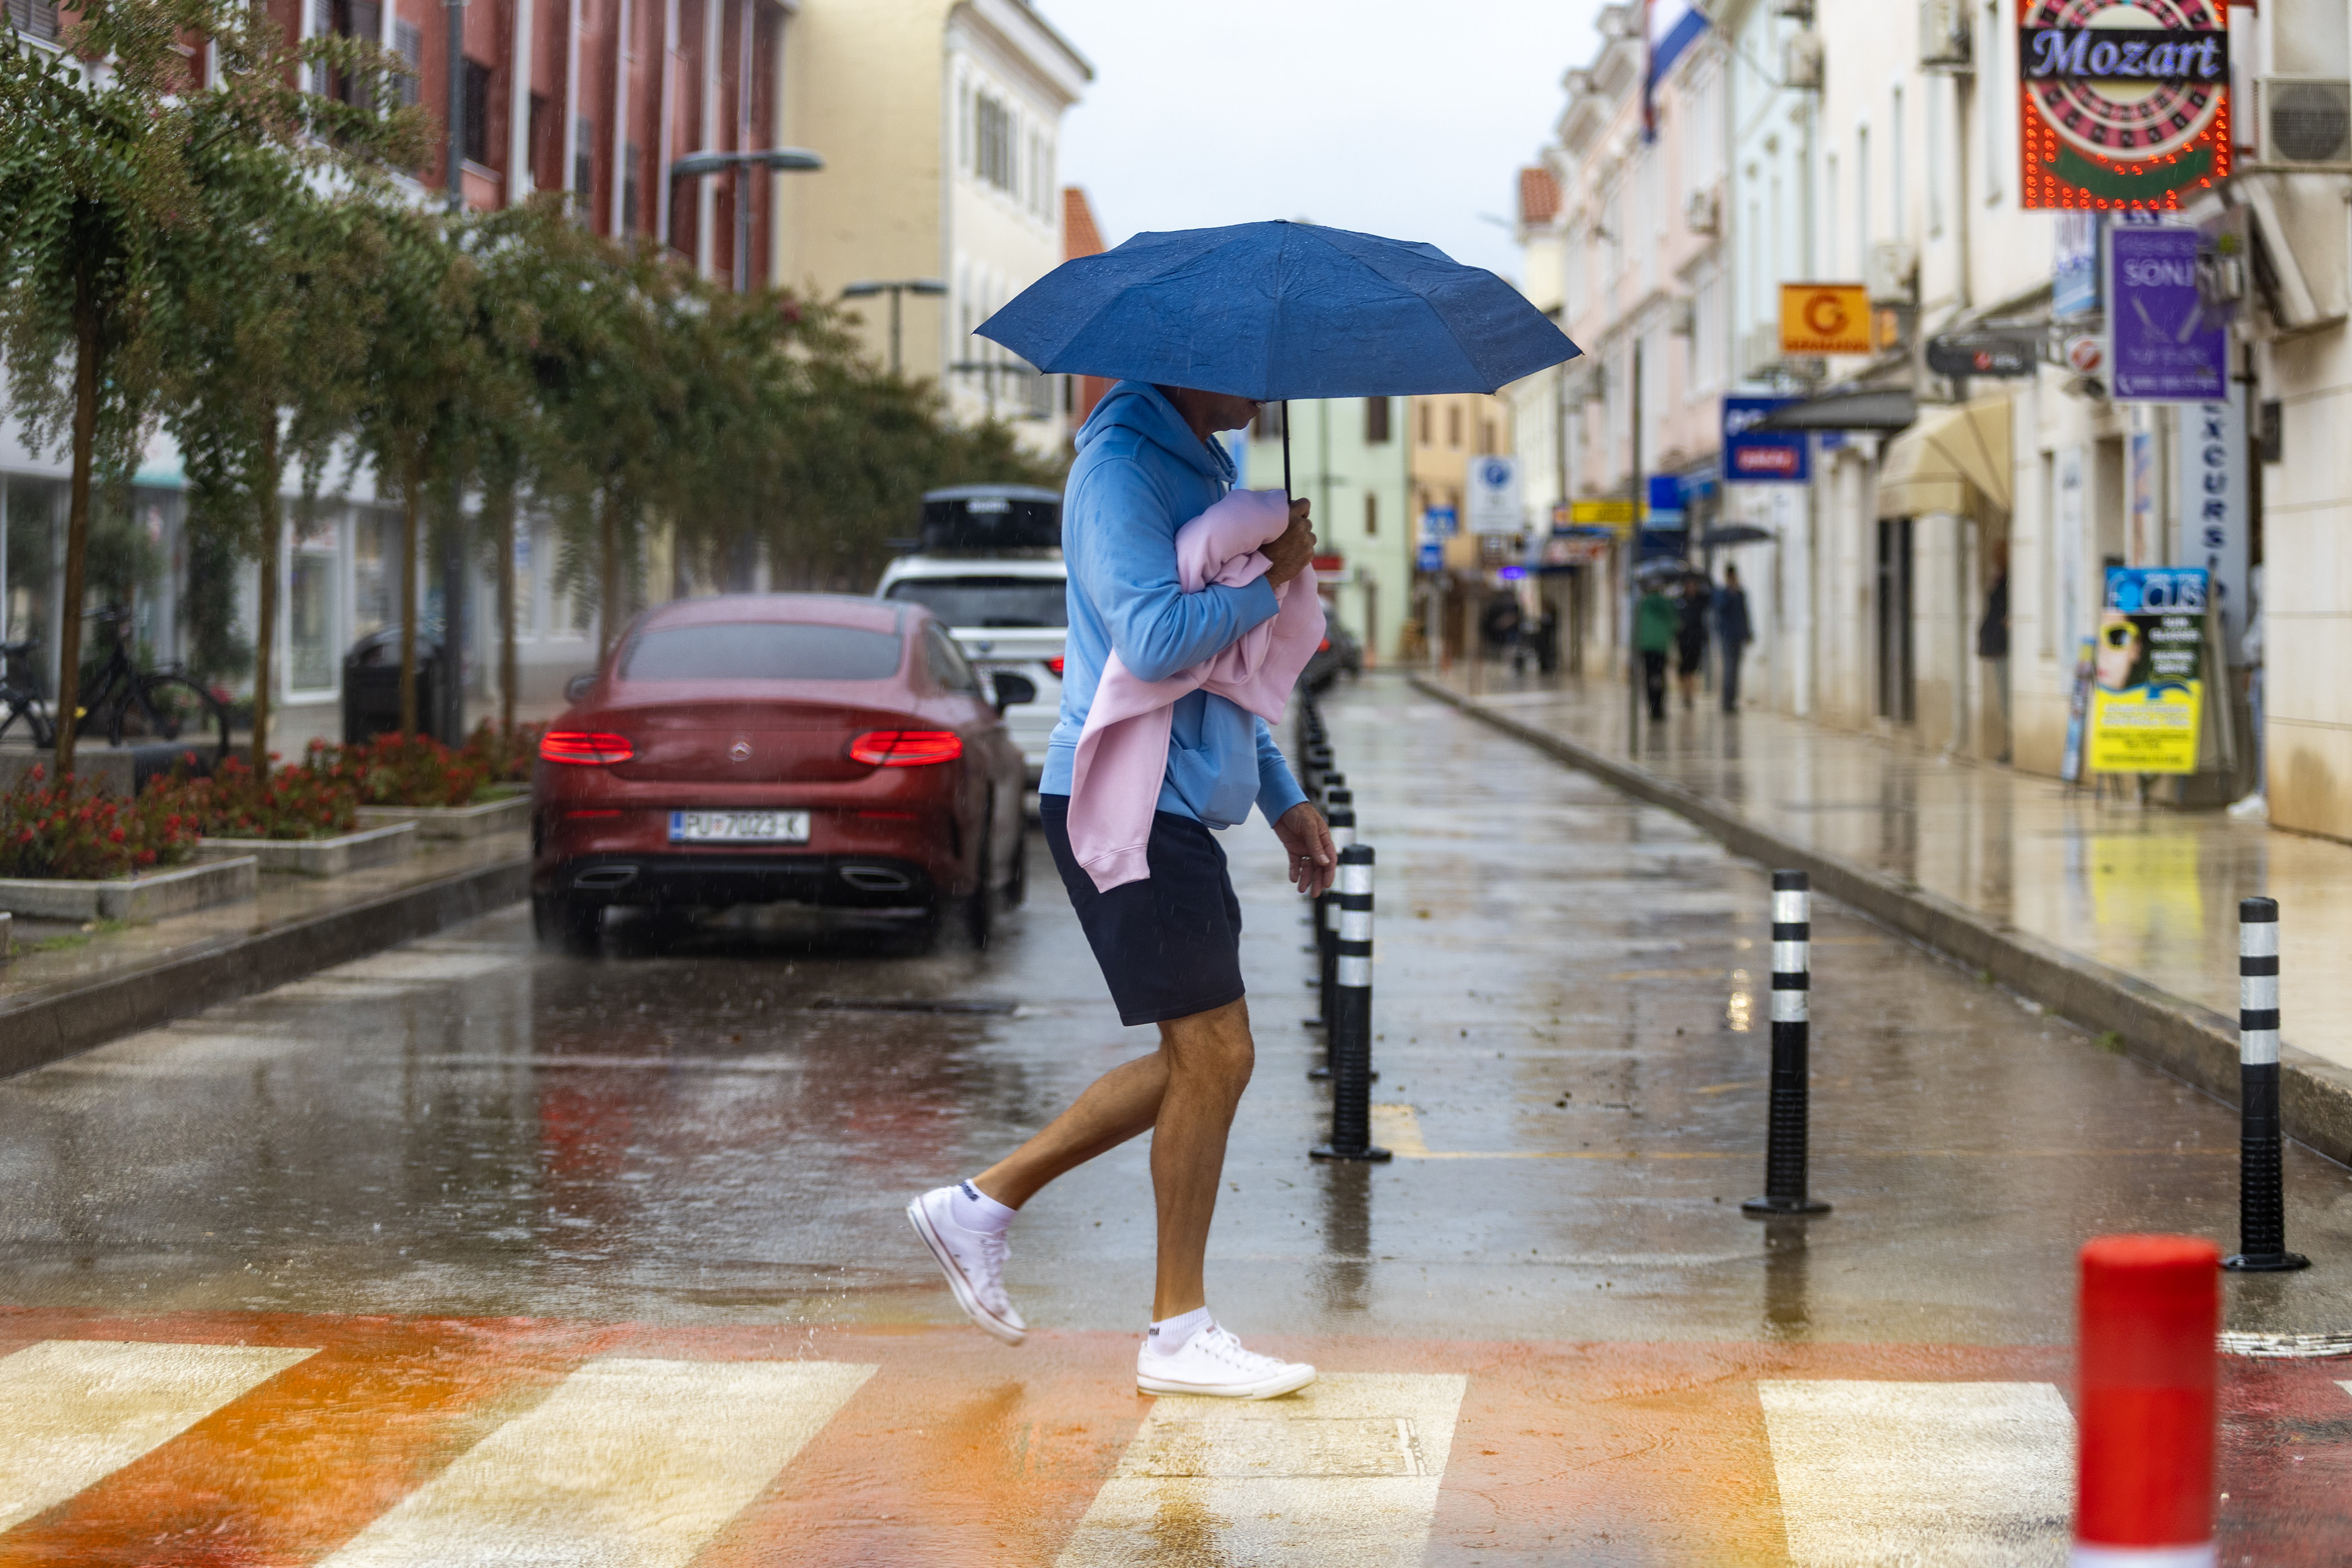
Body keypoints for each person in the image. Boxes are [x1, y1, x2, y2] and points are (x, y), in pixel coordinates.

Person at [907, 379, 1335, 1401]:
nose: (1266, 385)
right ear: (1185, 364)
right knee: (1217, 1050)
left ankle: (983, 1202)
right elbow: (1150, 641)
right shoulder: (1119, 472)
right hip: (1123, 793)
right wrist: (1270, 580)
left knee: (1205, 1060)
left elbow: (1224, 677)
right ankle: (1177, 1330)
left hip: (1181, 803)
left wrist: (1282, 797)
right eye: (1246, 364)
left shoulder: (1207, 468)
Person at [1977, 543, 2010, 764]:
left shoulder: (2008, 582)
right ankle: (2009, 745)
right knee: (2004, 699)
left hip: (2004, 647)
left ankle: (2011, 747)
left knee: (2008, 699)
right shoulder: (2001, 580)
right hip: (1998, 647)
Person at [1634, 577, 1678, 721]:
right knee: (1659, 675)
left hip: (1646, 646)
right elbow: (1674, 624)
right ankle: (1660, 708)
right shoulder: (1667, 604)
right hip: (1661, 645)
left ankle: (1652, 707)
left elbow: (1637, 626)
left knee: (1649, 676)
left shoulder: (1643, 604)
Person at [1713, 566, 1753, 714]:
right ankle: (1726, 701)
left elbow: (1744, 614)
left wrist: (1748, 633)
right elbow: (1719, 609)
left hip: (1738, 636)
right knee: (1729, 669)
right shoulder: (1722, 594)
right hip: (1727, 636)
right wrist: (1730, 595)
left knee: (1736, 669)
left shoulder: (1740, 594)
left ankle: (1733, 700)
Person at [1675, 576, 1710, 710]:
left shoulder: (1700, 600)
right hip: (1683, 639)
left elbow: (1710, 595)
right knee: (1684, 668)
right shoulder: (1679, 601)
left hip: (1696, 639)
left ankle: (1689, 694)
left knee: (1692, 668)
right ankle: (1685, 693)